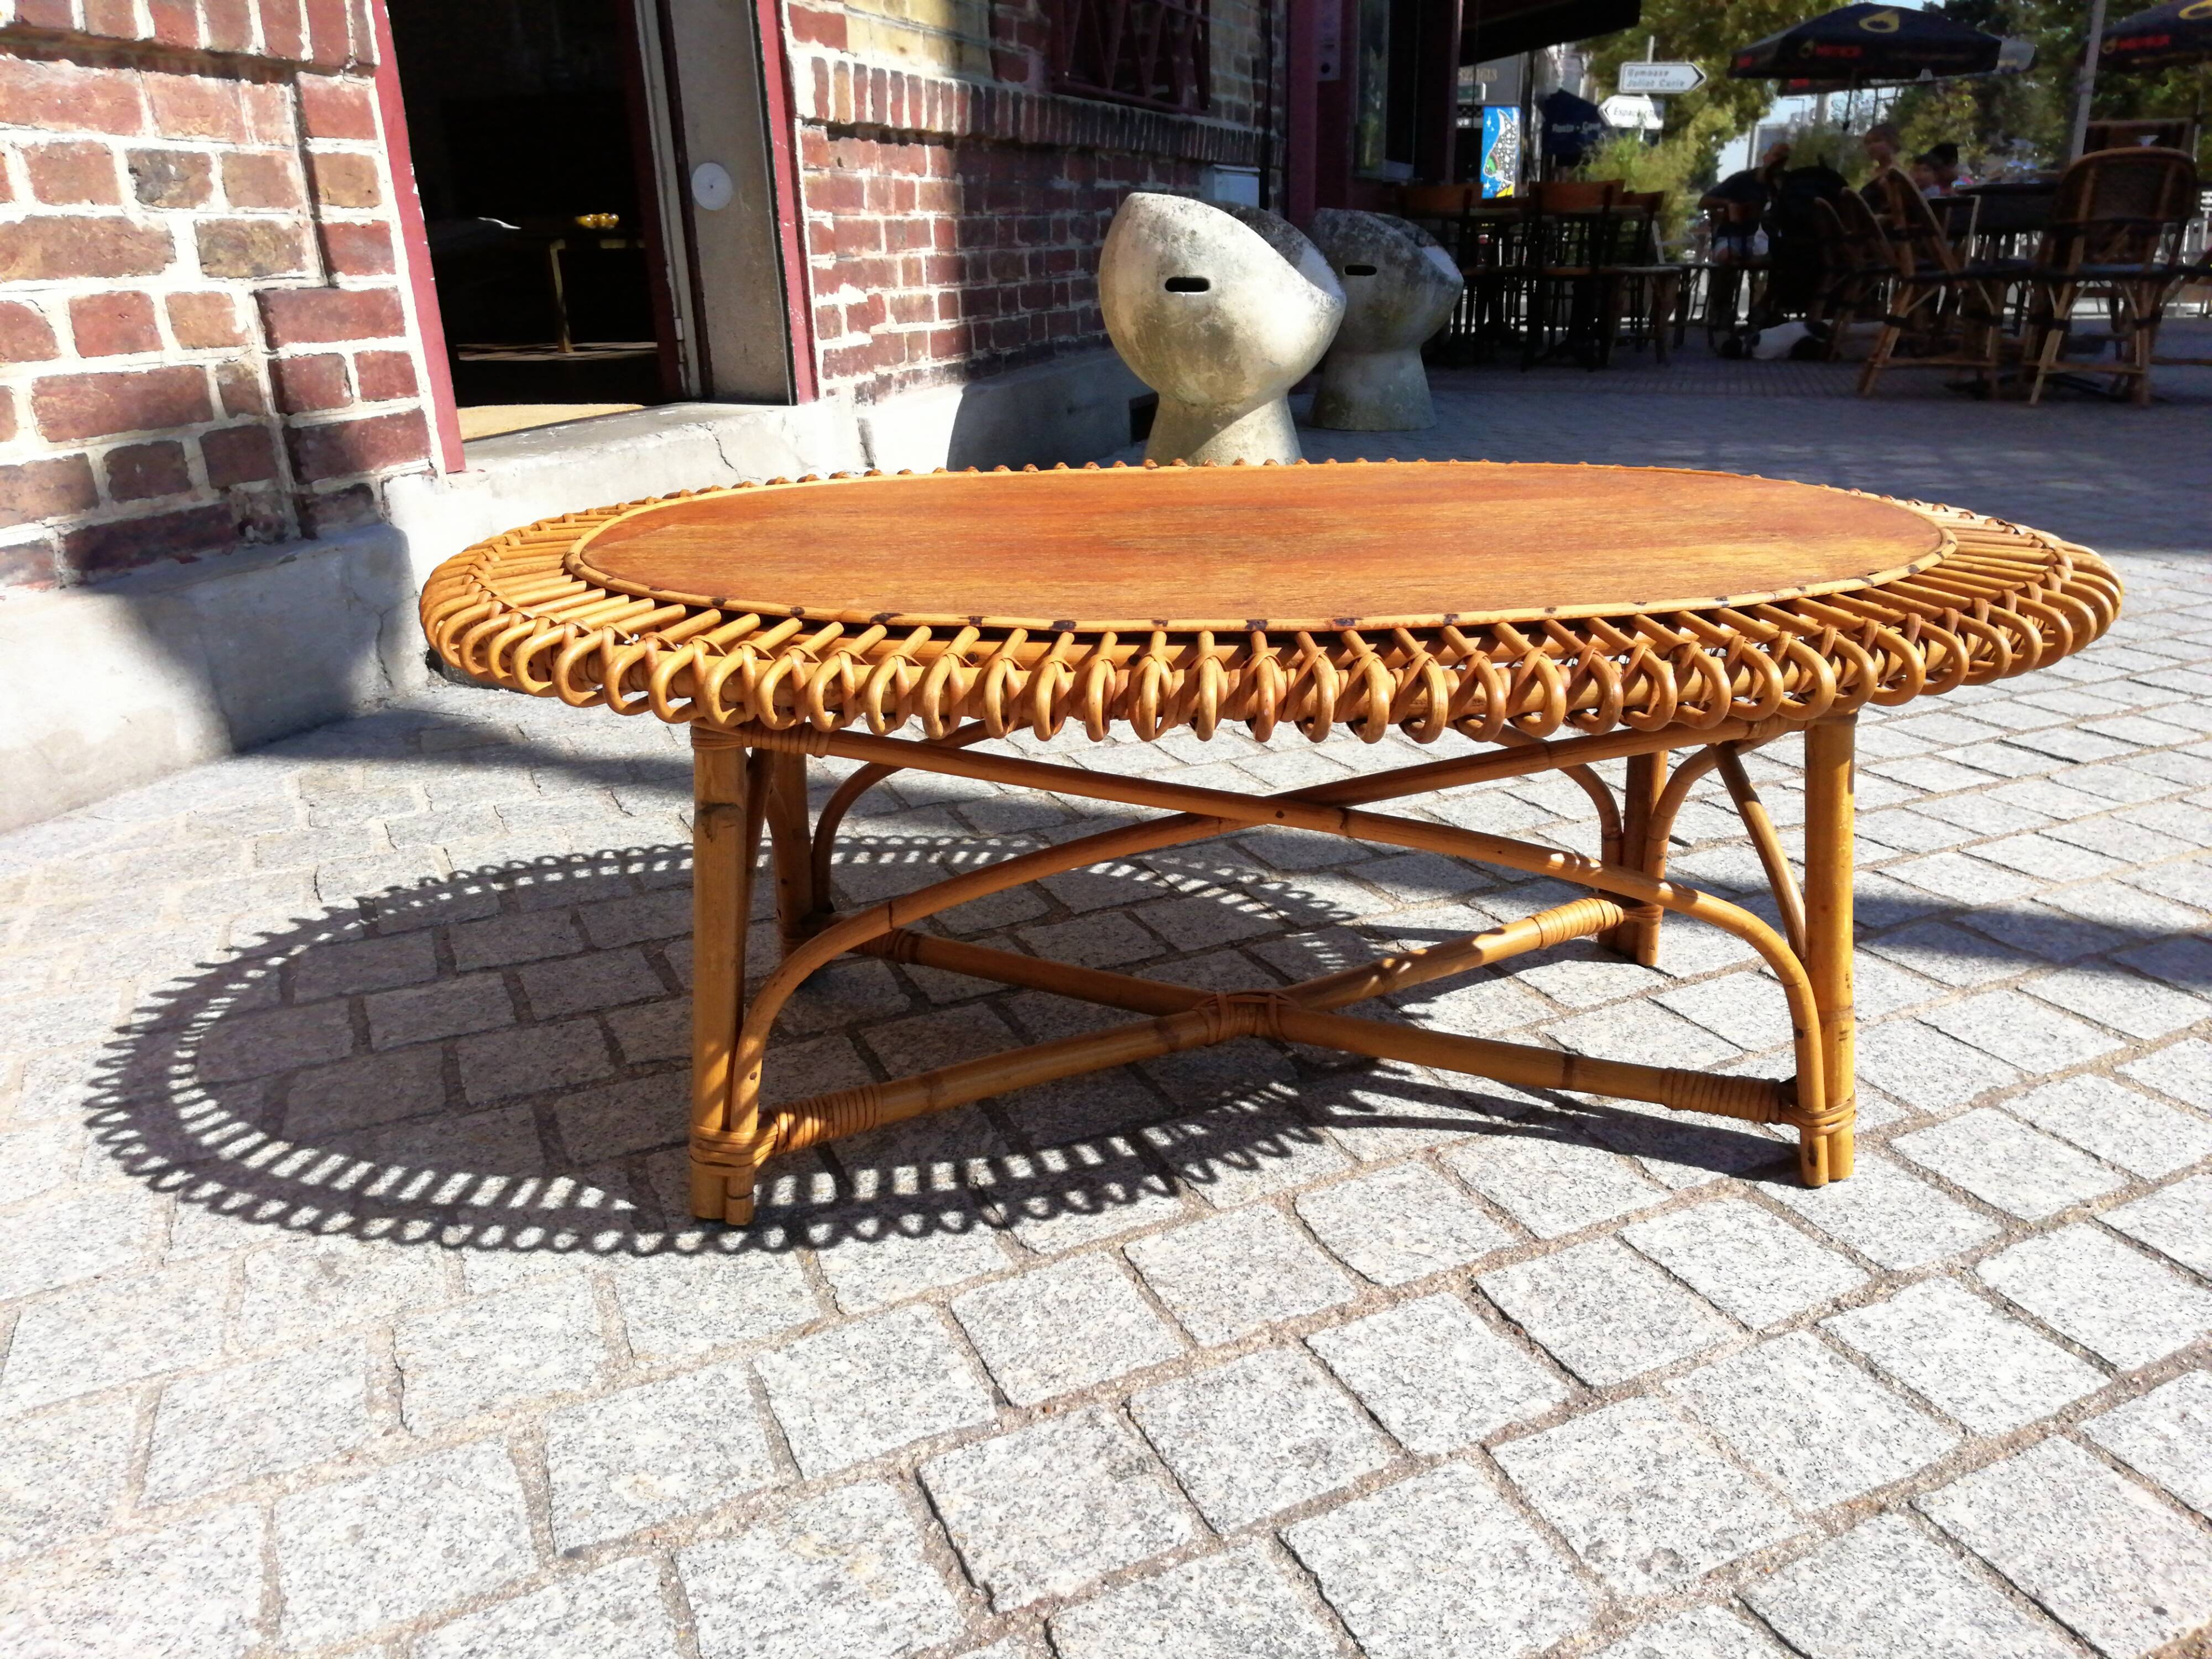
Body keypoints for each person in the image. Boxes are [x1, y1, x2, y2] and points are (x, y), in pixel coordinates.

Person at [1700, 142, 1790, 262]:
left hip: (1769, 241)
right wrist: (1730, 204)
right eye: (1776, 156)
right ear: (1766, 157)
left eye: (1783, 160)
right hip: (1733, 238)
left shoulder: (1787, 184)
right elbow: (1704, 202)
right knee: (1728, 258)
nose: (1777, 162)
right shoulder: (1741, 179)